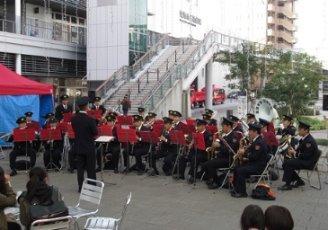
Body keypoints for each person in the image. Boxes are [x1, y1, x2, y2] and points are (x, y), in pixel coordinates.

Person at [278, 121, 319, 191]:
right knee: (285, 163)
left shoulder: (309, 141)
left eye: (300, 130)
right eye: (298, 129)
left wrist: (295, 153)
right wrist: (293, 150)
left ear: (306, 130)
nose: (298, 131)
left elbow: (306, 156)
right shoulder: (305, 138)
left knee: (288, 163)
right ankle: (299, 181)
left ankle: (288, 184)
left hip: (308, 162)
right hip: (304, 160)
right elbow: (301, 151)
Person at [231, 123, 268, 198]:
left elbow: (254, 156)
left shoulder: (259, 142)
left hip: (258, 166)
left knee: (241, 170)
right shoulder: (255, 141)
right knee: (236, 168)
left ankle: (242, 193)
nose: (249, 133)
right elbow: (252, 154)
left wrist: (244, 153)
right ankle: (236, 188)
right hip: (253, 164)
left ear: (255, 132)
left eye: (250, 131)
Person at [202, 117, 240, 189]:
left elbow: (230, 150)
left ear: (229, 126)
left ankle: (215, 182)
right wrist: (215, 145)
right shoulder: (224, 135)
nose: (222, 128)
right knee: (205, 165)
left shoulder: (233, 136)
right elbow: (219, 145)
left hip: (228, 159)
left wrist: (219, 146)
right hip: (221, 157)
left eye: (223, 126)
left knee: (210, 164)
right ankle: (214, 179)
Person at [71, 97, 98, 192]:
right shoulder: (90, 119)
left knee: (80, 168)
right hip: (89, 147)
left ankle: (80, 187)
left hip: (78, 146)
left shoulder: (74, 119)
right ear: (86, 107)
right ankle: (92, 186)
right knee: (91, 168)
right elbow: (95, 132)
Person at [179, 119, 213, 184]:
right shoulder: (196, 133)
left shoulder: (208, 134)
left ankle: (191, 175)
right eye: (196, 126)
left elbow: (208, 147)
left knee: (195, 158)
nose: (196, 127)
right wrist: (191, 144)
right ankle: (181, 174)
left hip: (204, 154)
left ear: (203, 126)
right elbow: (193, 144)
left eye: (198, 126)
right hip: (195, 152)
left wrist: (201, 146)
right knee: (183, 157)